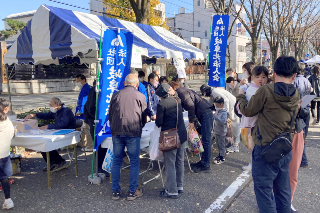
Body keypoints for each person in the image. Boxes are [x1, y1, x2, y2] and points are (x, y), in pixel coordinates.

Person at [237, 55, 300, 213]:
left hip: (264, 148)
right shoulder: (296, 93)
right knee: (282, 191)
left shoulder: (266, 90)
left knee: (264, 192)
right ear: (294, 76)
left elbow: (248, 111)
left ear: (274, 73)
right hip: (284, 148)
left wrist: (240, 96)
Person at [109, 74, 147, 201]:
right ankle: (132, 192)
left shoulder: (115, 95)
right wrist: (140, 127)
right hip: (133, 132)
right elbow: (144, 116)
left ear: (125, 83)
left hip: (117, 132)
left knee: (117, 160)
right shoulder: (140, 96)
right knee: (134, 161)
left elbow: (110, 115)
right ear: (136, 84)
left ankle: (115, 191)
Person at [169, 81, 213, 173]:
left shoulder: (181, 91)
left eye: (169, 89)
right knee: (205, 139)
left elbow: (190, 106)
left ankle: (206, 164)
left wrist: (191, 121)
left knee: (206, 139)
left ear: (173, 87)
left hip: (205, 113)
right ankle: (203, 161)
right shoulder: (182, 91)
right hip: (204, 112)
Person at [24, 98, 76, 171]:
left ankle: (59, 162)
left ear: (57, 104)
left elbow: (63, 124)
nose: (50, 106)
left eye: (51, 105)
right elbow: (46, 115)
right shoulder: (56, 110)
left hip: (68, 131)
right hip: (58, 131)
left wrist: (47, 126)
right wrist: (34, 115)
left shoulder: (66, 111)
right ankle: (54, 162)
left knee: (47, 143)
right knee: (42, 143)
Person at [155, 83, 187, 199]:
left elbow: (159, 122)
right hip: (182, 134)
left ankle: (172, 191)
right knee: (179, 161)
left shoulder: (162, 104)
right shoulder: (177, 99)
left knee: (170, 163)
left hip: (170, 136)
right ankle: (179, 186)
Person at [237, 66, 268, 171]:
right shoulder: (252, 90)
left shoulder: (260, 88)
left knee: (254, 144)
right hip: (252, 121)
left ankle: (254, 164)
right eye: (258, 76)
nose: (261, 79)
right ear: (253, 77)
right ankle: (253, 164)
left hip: (257, 121)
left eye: (264, 77)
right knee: (252, 144)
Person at [200, 85, 241, 153]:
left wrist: (226, 112)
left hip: (232, 106)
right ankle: (234, 143)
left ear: (207, 90)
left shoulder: (215, 92)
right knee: (232, 126)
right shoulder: (213, 93)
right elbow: (210, 103)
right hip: (232, 106)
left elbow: (226, 100)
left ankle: (236, 146)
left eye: (204, 93)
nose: (204, 94)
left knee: (235, 125)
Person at [289, 104, 308, 213]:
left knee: (293, 172)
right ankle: (271, 202)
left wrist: (299, 107)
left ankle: (288, 202)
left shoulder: (295, 92)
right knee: (274, 172)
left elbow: (304, 113)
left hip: (296, 132)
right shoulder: (267, 89)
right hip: (275, 134)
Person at [293, 63, 313, 168]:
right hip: (306, 108)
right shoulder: (307, 80)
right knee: (303, 134)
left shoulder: (294, 81)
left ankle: (301, 159)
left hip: (298, 109)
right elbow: (311, 91)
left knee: (299, 134)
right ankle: (303, 160)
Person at [0, 99, 15, 209]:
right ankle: (8, 200)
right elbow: (12, 135)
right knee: (4, 177)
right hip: (4, 153)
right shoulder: (7, 121)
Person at [212, 96, 228, 164]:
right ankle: (220, 155)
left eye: (217, 105)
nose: (216, 107)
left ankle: (222, 157)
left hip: (221, 131)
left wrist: (215, 117)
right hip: (217, 130)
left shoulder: (224, 113)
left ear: (222, 105)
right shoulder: (218, 111)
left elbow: (223, 121)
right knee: (218, 144)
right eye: (215, 105)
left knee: (221, 144)